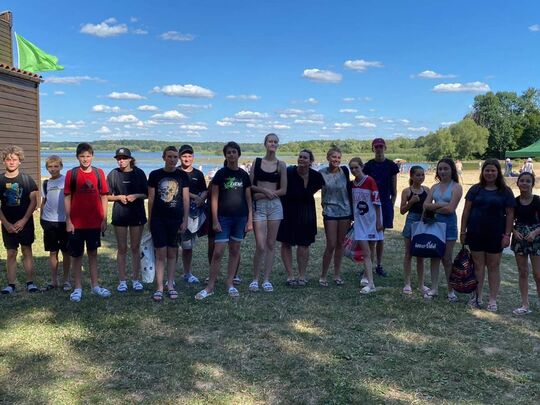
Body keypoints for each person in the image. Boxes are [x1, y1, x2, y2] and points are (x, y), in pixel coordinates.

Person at [195, 141, 253, 300]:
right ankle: (210, 286)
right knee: (218, 252)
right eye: (229, 152)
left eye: (234, 152)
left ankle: (230, 283)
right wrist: (215, 220)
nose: (231, 155)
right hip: (223, 218)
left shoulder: (243, 175)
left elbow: (248, 198)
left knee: (234, 251)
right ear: (225, 155)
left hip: (240, 218)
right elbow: (213, 198)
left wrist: (250, 220)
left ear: (238, 154)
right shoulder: (220, 174)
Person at [460, 159, 514, 311]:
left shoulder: (505, 191)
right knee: (477, 266)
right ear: (482, 172)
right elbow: (466, 211)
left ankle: (492, 300)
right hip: (476, 232)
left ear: (498, 172)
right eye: (487, 170)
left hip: (496, 234)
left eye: (493, 171)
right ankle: (477, 297)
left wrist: (507, 235)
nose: (490, 173)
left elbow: (510, 214)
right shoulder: (475, 190)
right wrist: (463, 231)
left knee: (493, 266)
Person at [64, 143, 110, 302]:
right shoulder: (72, 174)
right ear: (77, 157)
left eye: (88, 156)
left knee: (92, 254)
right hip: (76, 223)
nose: (85, 159)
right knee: (76, 256)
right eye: (82, 156)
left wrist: (104, 218)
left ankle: (95, 285)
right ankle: (78, 287)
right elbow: (67, 197)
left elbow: (104, 196)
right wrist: (68, 220)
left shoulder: (99, 173)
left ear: (92, 156)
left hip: (94, 222)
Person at [148, 146, 189, 302]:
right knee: (160, 254)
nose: (172, 160)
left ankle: (170, 284)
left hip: (176, 219)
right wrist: (150, 219)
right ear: (164, 157)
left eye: (175, 157)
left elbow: (185, 199)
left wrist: (185, 220)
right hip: (159, 219)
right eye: (169, 156)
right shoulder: (155, 175)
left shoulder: (182, 176)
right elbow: (151, 200)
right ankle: (159, 287)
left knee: (172, 253)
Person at [277, 149, 325, 285]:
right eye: (300, 157)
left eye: (305, 158)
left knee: (304, 244)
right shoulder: (288, 172)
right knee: (286, 243)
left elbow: (323, 189)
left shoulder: (316, 176)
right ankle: (290, 275)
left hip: (307, 213)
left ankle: (302, 276)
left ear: (310, 161)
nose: (302, 159)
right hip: (288, 211)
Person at [249, 133, 287, 292]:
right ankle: (255, 279)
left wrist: (270, 194)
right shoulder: (257, 162)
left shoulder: (281, 164)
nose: (273, 144)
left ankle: (266, 279)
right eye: (270, 141)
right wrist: (264, 191)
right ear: (265, 144)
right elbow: (250, 185)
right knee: (260, 245)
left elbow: (283, 190)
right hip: (259, 206)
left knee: (271, 244)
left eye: (275, 142)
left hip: (275, 206)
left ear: (278, 145)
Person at [107, 147, 148, 293]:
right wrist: (118, 197)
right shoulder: (113, 174)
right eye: (118, 158)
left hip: (136, 213)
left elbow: (147, 194)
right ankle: (122, 281)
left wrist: (135, 196)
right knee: (122, 248)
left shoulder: (139, 173)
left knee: (135, 247)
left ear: (130, 159)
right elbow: (105, 195)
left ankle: (136, 279)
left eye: (124, 158)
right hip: (120, 214)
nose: (121, 161)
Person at [0, 146, 39, 294]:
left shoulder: (26, 179)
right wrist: (5, 223)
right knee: (11, 252)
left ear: (19, 161)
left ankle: (30, 282)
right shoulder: (0, 180)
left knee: (26, 250)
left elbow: (33, 201)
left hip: (25, 222)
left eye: (14, 159)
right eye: (8, 159)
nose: (11, 162)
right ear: (4, 161)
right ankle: (11, 284)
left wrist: (24, 220)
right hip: (7, 223)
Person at [423, 158, 463, 302]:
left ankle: (451, 290)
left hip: (449, 226)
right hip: (434, 226)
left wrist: (434, 206)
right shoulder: (434, 187)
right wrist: (439, 206)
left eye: (445, 168)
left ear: (452, 170)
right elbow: (425, 204)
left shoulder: (456, 187)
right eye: (440, 169)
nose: (442, 171)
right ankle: (434, 288)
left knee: (446, 258)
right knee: (434, 256)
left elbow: (450, 209)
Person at [363, 138, 399, 276]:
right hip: (371, 204)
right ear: (373, 148)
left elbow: (394, 190)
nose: (378, 149)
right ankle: (368, 266)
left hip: (385, 203)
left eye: (381, 146)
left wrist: (391, 205)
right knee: (370, 237)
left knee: (380, 237)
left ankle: (379, 265)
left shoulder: (391, 166)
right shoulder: (368, 166)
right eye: (376, 146)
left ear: (385, 148)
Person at [319, 147, 352, 287]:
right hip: (330, 212)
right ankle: (323, 276)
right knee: (331, 244)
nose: (336, 160)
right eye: (334, 157)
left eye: (338, 157)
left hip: (345, 212)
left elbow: (349, 190)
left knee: (340, 244)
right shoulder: (321, 173)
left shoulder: (344, 171)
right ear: (328, 158)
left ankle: (337, 274)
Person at [349, 157, 380, 294]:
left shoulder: (369, 181)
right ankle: (370, 282)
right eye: (352, 168)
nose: (354, 170)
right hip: (360, 222)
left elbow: (377, 202)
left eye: (356, 167)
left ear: (362, 167)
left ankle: (368, 277)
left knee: (370, 249)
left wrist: (379, 221)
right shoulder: (353, 184)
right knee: (366, 252)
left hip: (371, 220)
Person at [40, 155, 71, 291]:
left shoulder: (66, 181)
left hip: (64, 222)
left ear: (61, 167)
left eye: (56, 166)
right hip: (48, 221)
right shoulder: (46, 183)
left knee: (66, 251)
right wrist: (42, 217)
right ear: (47, 168)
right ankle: (54, 281)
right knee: (53, 252)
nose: (53, 169)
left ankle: (66, 280)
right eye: (50, 167)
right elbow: (43, 201)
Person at [511, 172, 540, 315]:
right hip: (520, 238)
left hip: (536, 238)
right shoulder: (514, 202)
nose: (524, 183)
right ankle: (524, 305)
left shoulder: (537, 201)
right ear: (517, 183)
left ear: (532, 184)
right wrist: (513, 231)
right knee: (523, 272)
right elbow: (508, 220)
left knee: (538, 274)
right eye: (521, 180)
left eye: (528, 181)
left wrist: (535, 233)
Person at [178, 144, 207, 285]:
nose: (187, 158)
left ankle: (187, 273)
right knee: (171, 247)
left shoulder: (198, 174)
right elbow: (178, 191)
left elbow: (204, 189)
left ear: (193, 158)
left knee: (188, 246)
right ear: (179, 157)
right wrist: (195, 196)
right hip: (176, 213)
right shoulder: (176, 172)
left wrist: (202, 197)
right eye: (184, 156)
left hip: (193, 214)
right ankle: (169, 277)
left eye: (189, 156)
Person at [400, 166, 430, 295]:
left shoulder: (428, 190)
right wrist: (411, 202)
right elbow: (402, 211)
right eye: (418, 175)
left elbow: (430, 207)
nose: (421, 177)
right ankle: (407, 283)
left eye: (422, 175)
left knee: (421, 255)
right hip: (411, 220)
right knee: (409, 253)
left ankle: (421, 284)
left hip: (423, 222)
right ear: (411, 176)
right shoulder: (406, 191)